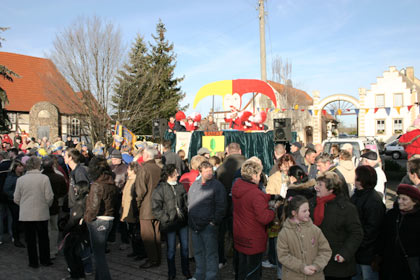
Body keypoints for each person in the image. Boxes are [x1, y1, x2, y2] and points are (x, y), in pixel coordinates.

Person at [314, 171, 364, 280]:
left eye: (320, 185)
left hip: (337, 264)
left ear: (331, 189)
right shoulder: (314, 204)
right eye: (317, 184)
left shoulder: (346, 208)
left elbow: (357, 233)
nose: (316, 187)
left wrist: (344, 254)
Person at [232, 159, 275, 280]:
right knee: (253, 272)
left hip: (240, 234)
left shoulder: (237, 186)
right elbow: (264, 218)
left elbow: (249, 200)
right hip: (253, 238)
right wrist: (272, 210)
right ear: (255, 175)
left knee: (242, 268)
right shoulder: (256, 194)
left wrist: (266, 197)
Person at [152, 164, 192, 280]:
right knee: (171, 249)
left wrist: (185, 213)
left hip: (182, 222)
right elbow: (156, 208)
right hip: (170, 224)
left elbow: (185, 202)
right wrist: (166, 218)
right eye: (175, 172)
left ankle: (186, 270)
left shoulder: (180, 186)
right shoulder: (160, 189)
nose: (178, 174)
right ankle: (171, 272)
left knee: (185, 248)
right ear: (169, 174)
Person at [277, 195, 332, 280]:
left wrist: (316, 265)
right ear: (294, 213)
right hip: (293, 277)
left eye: (308, 210)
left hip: (315, 277)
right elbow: (283, 256)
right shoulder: (284, 233)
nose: (308, 213)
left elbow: (325, 250)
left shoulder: (315, 230)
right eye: (304, 211)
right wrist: (301, 267)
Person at [188, 161, 227, 280]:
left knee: (211, 254)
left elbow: (222, 205)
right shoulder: (195, 185)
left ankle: (211, 277)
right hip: (195, 226)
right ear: (200, 172)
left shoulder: (217, 185)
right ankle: (199, 275)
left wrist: (214, 222)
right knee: (199, 252)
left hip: (208, 226)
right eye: (206, 171)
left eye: (211, 171)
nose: (210, 173)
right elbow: (190, 202)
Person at [14, 156, 54, 268]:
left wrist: (23, 205)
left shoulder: (20, 180)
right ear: (38, 165)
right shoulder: (44, 178)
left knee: (30, 240)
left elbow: (16, 198)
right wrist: (46, 205)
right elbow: (49, 197)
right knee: (43, 238)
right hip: (41, 212)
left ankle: (33, 262)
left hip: (26, 214)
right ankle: (45, 260)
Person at [84, 156, 118, 280]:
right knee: (100, 254)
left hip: (98, 220)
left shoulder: (97, 185)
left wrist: (87, 218)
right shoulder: (111, 182)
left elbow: (94, 207)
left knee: (99, 256)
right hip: (109, 219)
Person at [351, 165, 385, 280]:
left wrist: (357, 243)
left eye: (355, 176)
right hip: (357, 251)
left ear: (361, 180)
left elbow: (372, 229)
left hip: (367, 253)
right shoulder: (357, 195)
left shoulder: (373, 201)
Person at [379, 184, 420, 280]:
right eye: (399, 198)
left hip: (409, 266)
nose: (400, 201)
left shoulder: (418, 219)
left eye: (404, 199)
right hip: (389, 264)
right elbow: (382, 236)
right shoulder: (392, 215)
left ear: (415, 202)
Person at [215, 142, 246, 268]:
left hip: (224, 206)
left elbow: (216, 189)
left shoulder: (221, 168)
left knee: (221, 234)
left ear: (227, 152)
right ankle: (239, 263)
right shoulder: (247, 165)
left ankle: (221, 260)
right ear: (240, 151)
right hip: (242, 206)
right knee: (240, 235)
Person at [135, 147, 162, 268]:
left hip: (146, 207)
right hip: (158, 205)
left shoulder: (144, 169)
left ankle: (153, 259)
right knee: (156, 233)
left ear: (146, 155)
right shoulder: (158, 168)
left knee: (148, 236)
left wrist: (138, 204)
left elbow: (140, 191)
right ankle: (157, 257)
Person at [42, 156, 67, 259]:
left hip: (43, 206)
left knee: (47, 229)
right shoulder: (59, 177)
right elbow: (64, 191)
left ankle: (47, 250)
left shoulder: (41, 176)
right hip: (54, 205)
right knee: (53, 228)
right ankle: (52, 250)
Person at [121, 161, 146, 261]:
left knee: (136, 234)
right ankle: (135, 251)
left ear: (133, 170)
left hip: (133, 211)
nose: (127, 170)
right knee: (132, 233)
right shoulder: (129, 180)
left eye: (128, 169)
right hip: (127, 211)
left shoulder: (136, 181)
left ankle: (141, 252)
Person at [3, 159, 25, 247]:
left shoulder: (22, 176)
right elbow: (6, 189)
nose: (21, 168)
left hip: (21, 201)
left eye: (22, 166)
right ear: (15, 168)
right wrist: (15, 195)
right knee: (15, 219)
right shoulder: (11, 177)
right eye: (19, 166)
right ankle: (16, 238)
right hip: (13, 201)